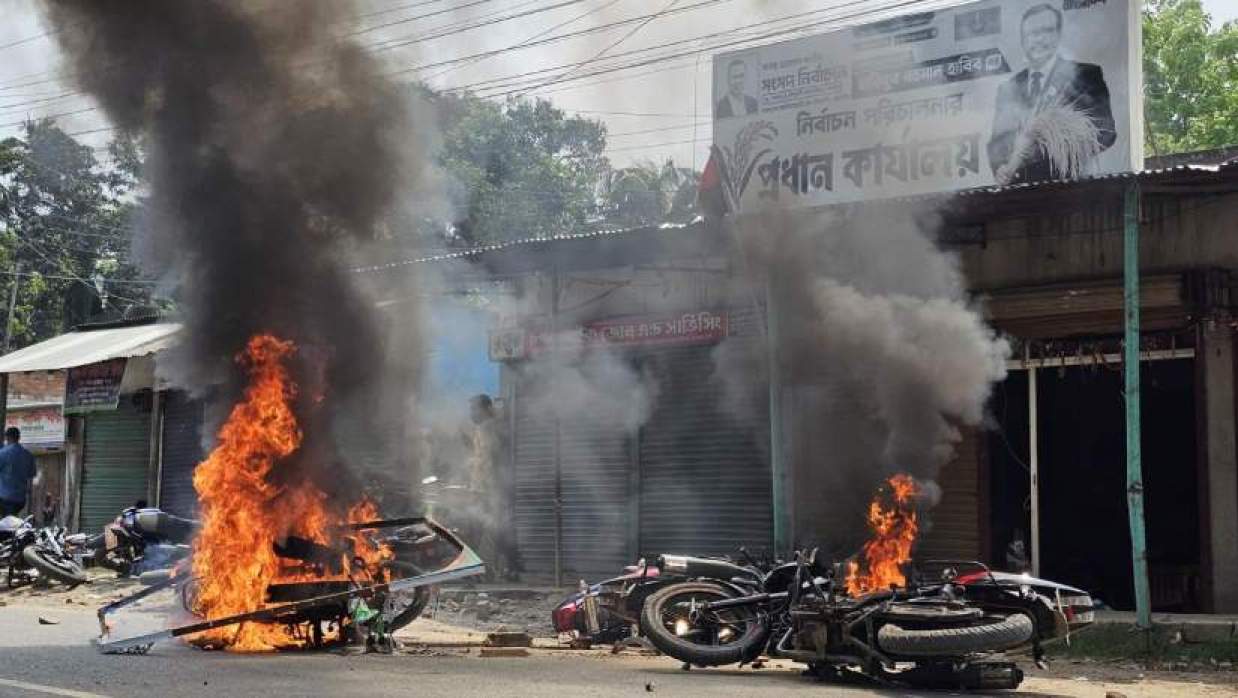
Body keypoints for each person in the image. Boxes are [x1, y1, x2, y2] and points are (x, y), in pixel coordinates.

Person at [987, 3, 1116, 184]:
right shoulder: (1008, 87)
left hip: (1071, 190)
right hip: (1018, 194)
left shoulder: (1086, 75)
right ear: (1023, 41)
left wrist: (1051, 144)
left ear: (1058, 34)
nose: (1038, 39)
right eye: (1031, 34)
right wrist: (1001, 166)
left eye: (1046, 31)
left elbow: (1105, 133)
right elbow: (996, 142)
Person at [0, 427, 37, 517]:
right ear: (19, 438)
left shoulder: (2, 453)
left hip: (4, 498)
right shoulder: (28, 455)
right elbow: (31, 477)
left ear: (7, 438)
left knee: (7, 523)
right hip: (20, 500)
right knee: (11, 521)